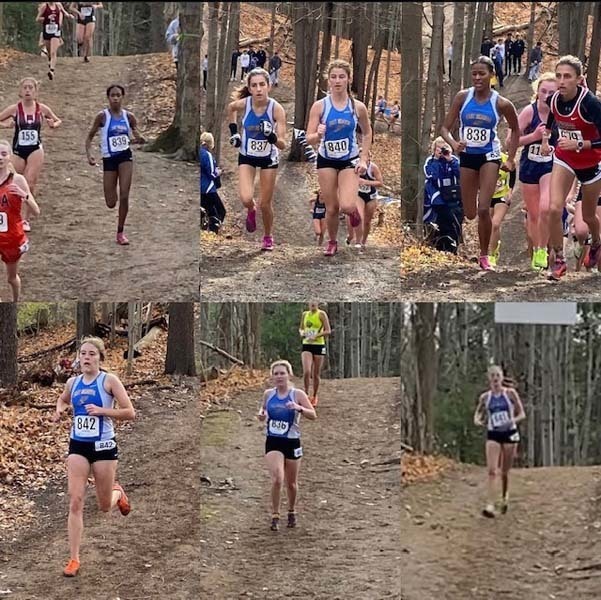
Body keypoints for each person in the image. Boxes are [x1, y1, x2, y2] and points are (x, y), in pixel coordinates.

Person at [53, 336, 136, 577]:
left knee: (103, 506)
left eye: (92, 354)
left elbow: (130, 412)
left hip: (104, 447)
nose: (86, 358)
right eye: (83, 354)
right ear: (78, 358)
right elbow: (63, 400)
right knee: (75, 500)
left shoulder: (109, 381)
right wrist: (60, 409)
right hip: (78, 446)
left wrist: (102, 411)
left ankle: (117, 493)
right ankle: (74, 559)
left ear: (100, 358)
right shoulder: (72, 383)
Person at [440, 56, 519, 270]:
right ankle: (481, 248)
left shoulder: (501, 103)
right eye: (474, 73)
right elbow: (444, 128)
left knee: (484, 209)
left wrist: (510, 158)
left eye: (482, 73)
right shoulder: (462, 97)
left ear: (491, 75)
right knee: (470, 213)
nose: (477, 77)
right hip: (467, 157)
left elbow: (516, 128)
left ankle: (484, 256)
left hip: (489, 156)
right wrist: (454, 143)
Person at [541, 55, 601, 280]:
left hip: (591, 162)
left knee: (588, 216)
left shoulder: (590, 103)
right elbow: (551, 121)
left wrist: (580, 143)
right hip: (564, 158)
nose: (561, 81)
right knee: (554, 209)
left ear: (579, 79)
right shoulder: (554, 100)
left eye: (567, 76)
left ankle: (596, 242)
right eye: (558, 76)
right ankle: (559, 259)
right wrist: (547, 140)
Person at [305, 59, 372, 257]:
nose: (337, 80)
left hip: (349, 159)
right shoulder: (319, 106)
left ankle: (352, 213)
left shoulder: (357, 107)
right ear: (328, 80)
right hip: (326, 159)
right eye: (333, 77)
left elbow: (367, 133)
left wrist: (363, 158)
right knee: (332, 207)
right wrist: (317, 135)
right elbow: (308, 138)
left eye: (341, 76)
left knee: (348, 205)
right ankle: (332, 241)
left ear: (348, 79)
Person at [227, 68, 286, 251]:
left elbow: (283, 144)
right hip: (247, 156)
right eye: (254, 85)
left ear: (268, 86)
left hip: (268, 158)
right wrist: (234, 133)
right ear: (250, 88)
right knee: (246, 198)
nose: (258, 89)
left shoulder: (276, 109)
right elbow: (231, 108)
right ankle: (251, 210)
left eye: (262, 85)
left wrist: (271, 136)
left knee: (265, 203)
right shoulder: (244, 104)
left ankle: (268, 236)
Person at [257, 360, 316, 531]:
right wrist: (261, 415)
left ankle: (291, 511)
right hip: (273, 440)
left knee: (291, 484)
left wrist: (298, 408)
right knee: (277, 478)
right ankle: (275, 515)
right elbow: (263, 411)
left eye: (282, 373)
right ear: (272, 377)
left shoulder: (297, 394)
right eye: (276, 374)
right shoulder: (268, 394)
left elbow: (313, 415)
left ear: (289, 375)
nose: (279, 376)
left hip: (292, 441)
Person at [85, 84, 146, 245]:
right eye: (113, 95)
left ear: (122, 97)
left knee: (125, 194)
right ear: (108, 98)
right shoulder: (102, 117)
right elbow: (90, 136)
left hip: (125, 157)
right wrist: (89, 155)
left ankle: (120, 232)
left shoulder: (129, 117)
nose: (116, 98)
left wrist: (139, 138)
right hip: (109, 159)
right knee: (111, 202)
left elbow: (136, 133)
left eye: (118, 95)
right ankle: (114, 195)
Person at [0, 78, 61, 231]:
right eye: (25, 88)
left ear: (35, 91)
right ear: (20, 91)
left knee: (30, 182)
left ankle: (25, 219)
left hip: (35, 149)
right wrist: (6, 125)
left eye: (30, 88)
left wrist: (54, 125)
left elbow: (57, 120)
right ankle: (12, 213)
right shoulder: (15, 109)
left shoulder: (42, 109)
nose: (27, 90)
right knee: (12, 182)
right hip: (18, 150)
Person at [515, 72, 557, 270]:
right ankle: (537, 249)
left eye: (551, 92)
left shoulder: (561, 113)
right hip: (530, 165)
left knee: (546, 208)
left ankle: (542, 249)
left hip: (551, 165)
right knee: (533, 215)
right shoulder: (528, 112)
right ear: (537, 92)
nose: (547, 95)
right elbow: (511, 142)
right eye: (543, 91)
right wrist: (534, 136)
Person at [473, 365, 525, 518]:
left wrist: (511, 421)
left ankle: (504, 496)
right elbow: (478, 413)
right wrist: (477, 420)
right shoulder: (485, 397)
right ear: (489, 379)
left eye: (498, 375)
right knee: (491, 471)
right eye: (492, 376)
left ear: (502, 378)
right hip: (493, 434)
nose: (495, 379)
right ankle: (489, 504)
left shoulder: (510, 394)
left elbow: (522, 414)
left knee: (505, 472)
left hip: (510, 433)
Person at [0, 140, 39, 301]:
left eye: (3, 154)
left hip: (12, 237)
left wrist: (25, 196)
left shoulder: (18, 180)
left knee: (11, 277)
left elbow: (36, 211)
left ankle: (15, 303)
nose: (0, 158)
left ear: (9, 157)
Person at [423, 136, 463, 254]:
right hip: (438, 199)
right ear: (434, 149)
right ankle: (440, 248)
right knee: (441, 224)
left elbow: (461, 174)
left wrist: (449, 159)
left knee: (455, 223)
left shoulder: (453, 160)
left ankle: (453, 249)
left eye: (443, 148)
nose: (441, 151)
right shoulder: (430, 161)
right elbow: (432, 175)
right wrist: (437, 160)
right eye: (438, 149)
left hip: (453, 197)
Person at [298, 303, 331, 406]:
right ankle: (306, 394)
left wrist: (316, 336)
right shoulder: (305, 314)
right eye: (311, 302)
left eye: (315, 302)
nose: (312, 304)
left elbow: (328, 330)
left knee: (315, 374)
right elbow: (301, 328)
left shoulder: (321, 314)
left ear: (317, 303)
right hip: (307, 344)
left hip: (318, 345)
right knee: (307, 371)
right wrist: (302, 333)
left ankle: (315, 396)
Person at [488, 152, 516, 267]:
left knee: (495, 223)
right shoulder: (483, 157)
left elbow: (513, 171)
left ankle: (492, 255)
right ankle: (488, 249)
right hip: (487, 195)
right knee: (488, 226)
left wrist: (510, 190)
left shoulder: (505, 158)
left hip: (502, 195)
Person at [353, 151, 383, 250]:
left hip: (371, 196)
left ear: (370, 157)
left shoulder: (373, 167)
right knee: (360, 216)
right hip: (359, 194)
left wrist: (366, 182)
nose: (365, 158)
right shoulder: (354, 166)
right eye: (362, 156)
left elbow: (380, 183)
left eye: (367, 156)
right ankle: (357, 241)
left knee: (367, 221)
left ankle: (363, 242)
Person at [37, 2, 74, 80]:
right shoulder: (44, 6)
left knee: (53, 52)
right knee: (49, 51)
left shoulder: (58, 5)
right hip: (47, 31)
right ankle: (50, 60)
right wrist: (47, 17)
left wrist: (69, 16)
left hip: (56, 32)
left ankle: (51, 71)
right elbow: (37, 19)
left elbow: (64, 13)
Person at [200, 132, 225, 234]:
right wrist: (218, 172)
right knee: (220, 211)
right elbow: (211, 173)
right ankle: (213, 232)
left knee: (208, 210)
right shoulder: (207, 155)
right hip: (208, 189)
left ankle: (205, 230)